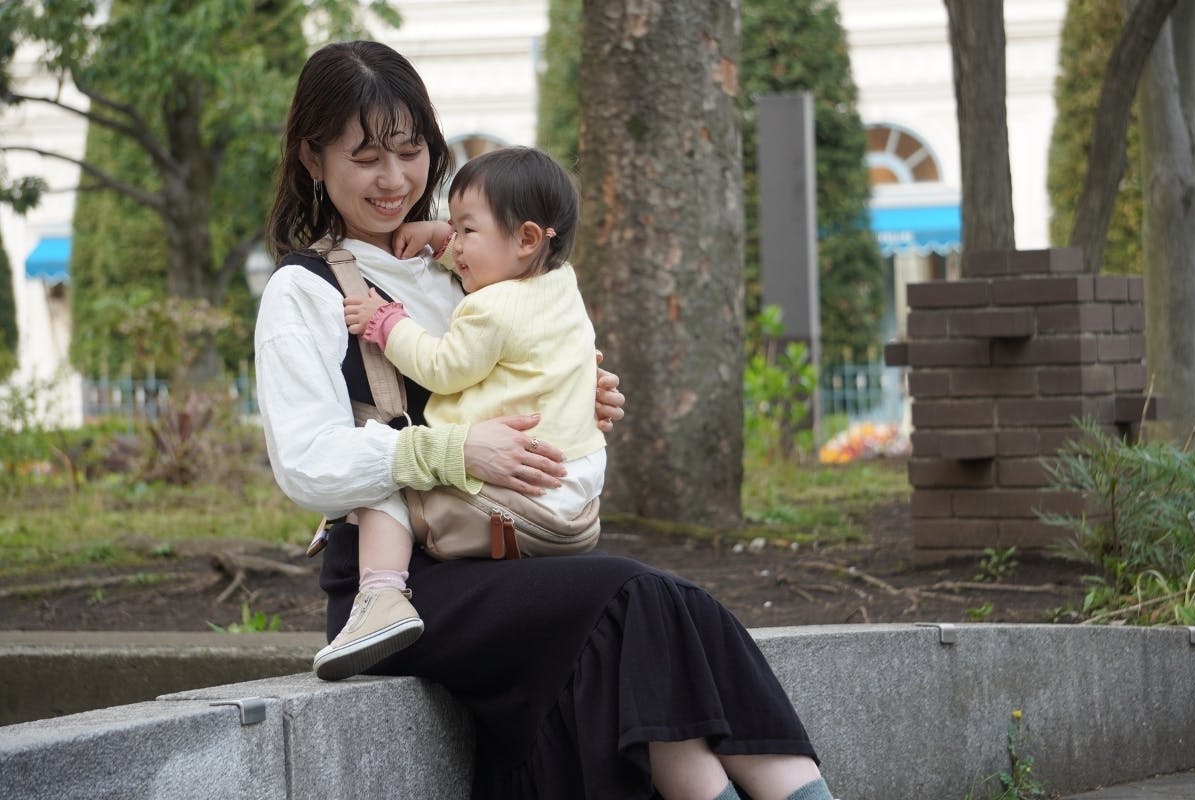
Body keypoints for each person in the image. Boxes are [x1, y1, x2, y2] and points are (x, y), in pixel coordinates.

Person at [255, 40, 835, 800]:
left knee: (673, 608)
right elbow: (308, 463)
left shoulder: (468, 260)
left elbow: (514, 371)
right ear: (313, 158)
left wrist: (570, 400)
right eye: (366, 158)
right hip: (398, 586)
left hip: (508, 545)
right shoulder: (302, 293)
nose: (394, 179)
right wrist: (458, 451)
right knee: (633, 598)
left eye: (411, 151)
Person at [317, 145, 606, 681]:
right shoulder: (559, 283)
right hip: (578, 480)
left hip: (521, 489)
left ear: (526, 238)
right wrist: (440, 237)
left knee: (386, 469)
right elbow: (500, 259)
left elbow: (441, 367)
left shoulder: (488, 307)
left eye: (466, 230)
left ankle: (380, 597)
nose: (456, 241)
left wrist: (386, 322)